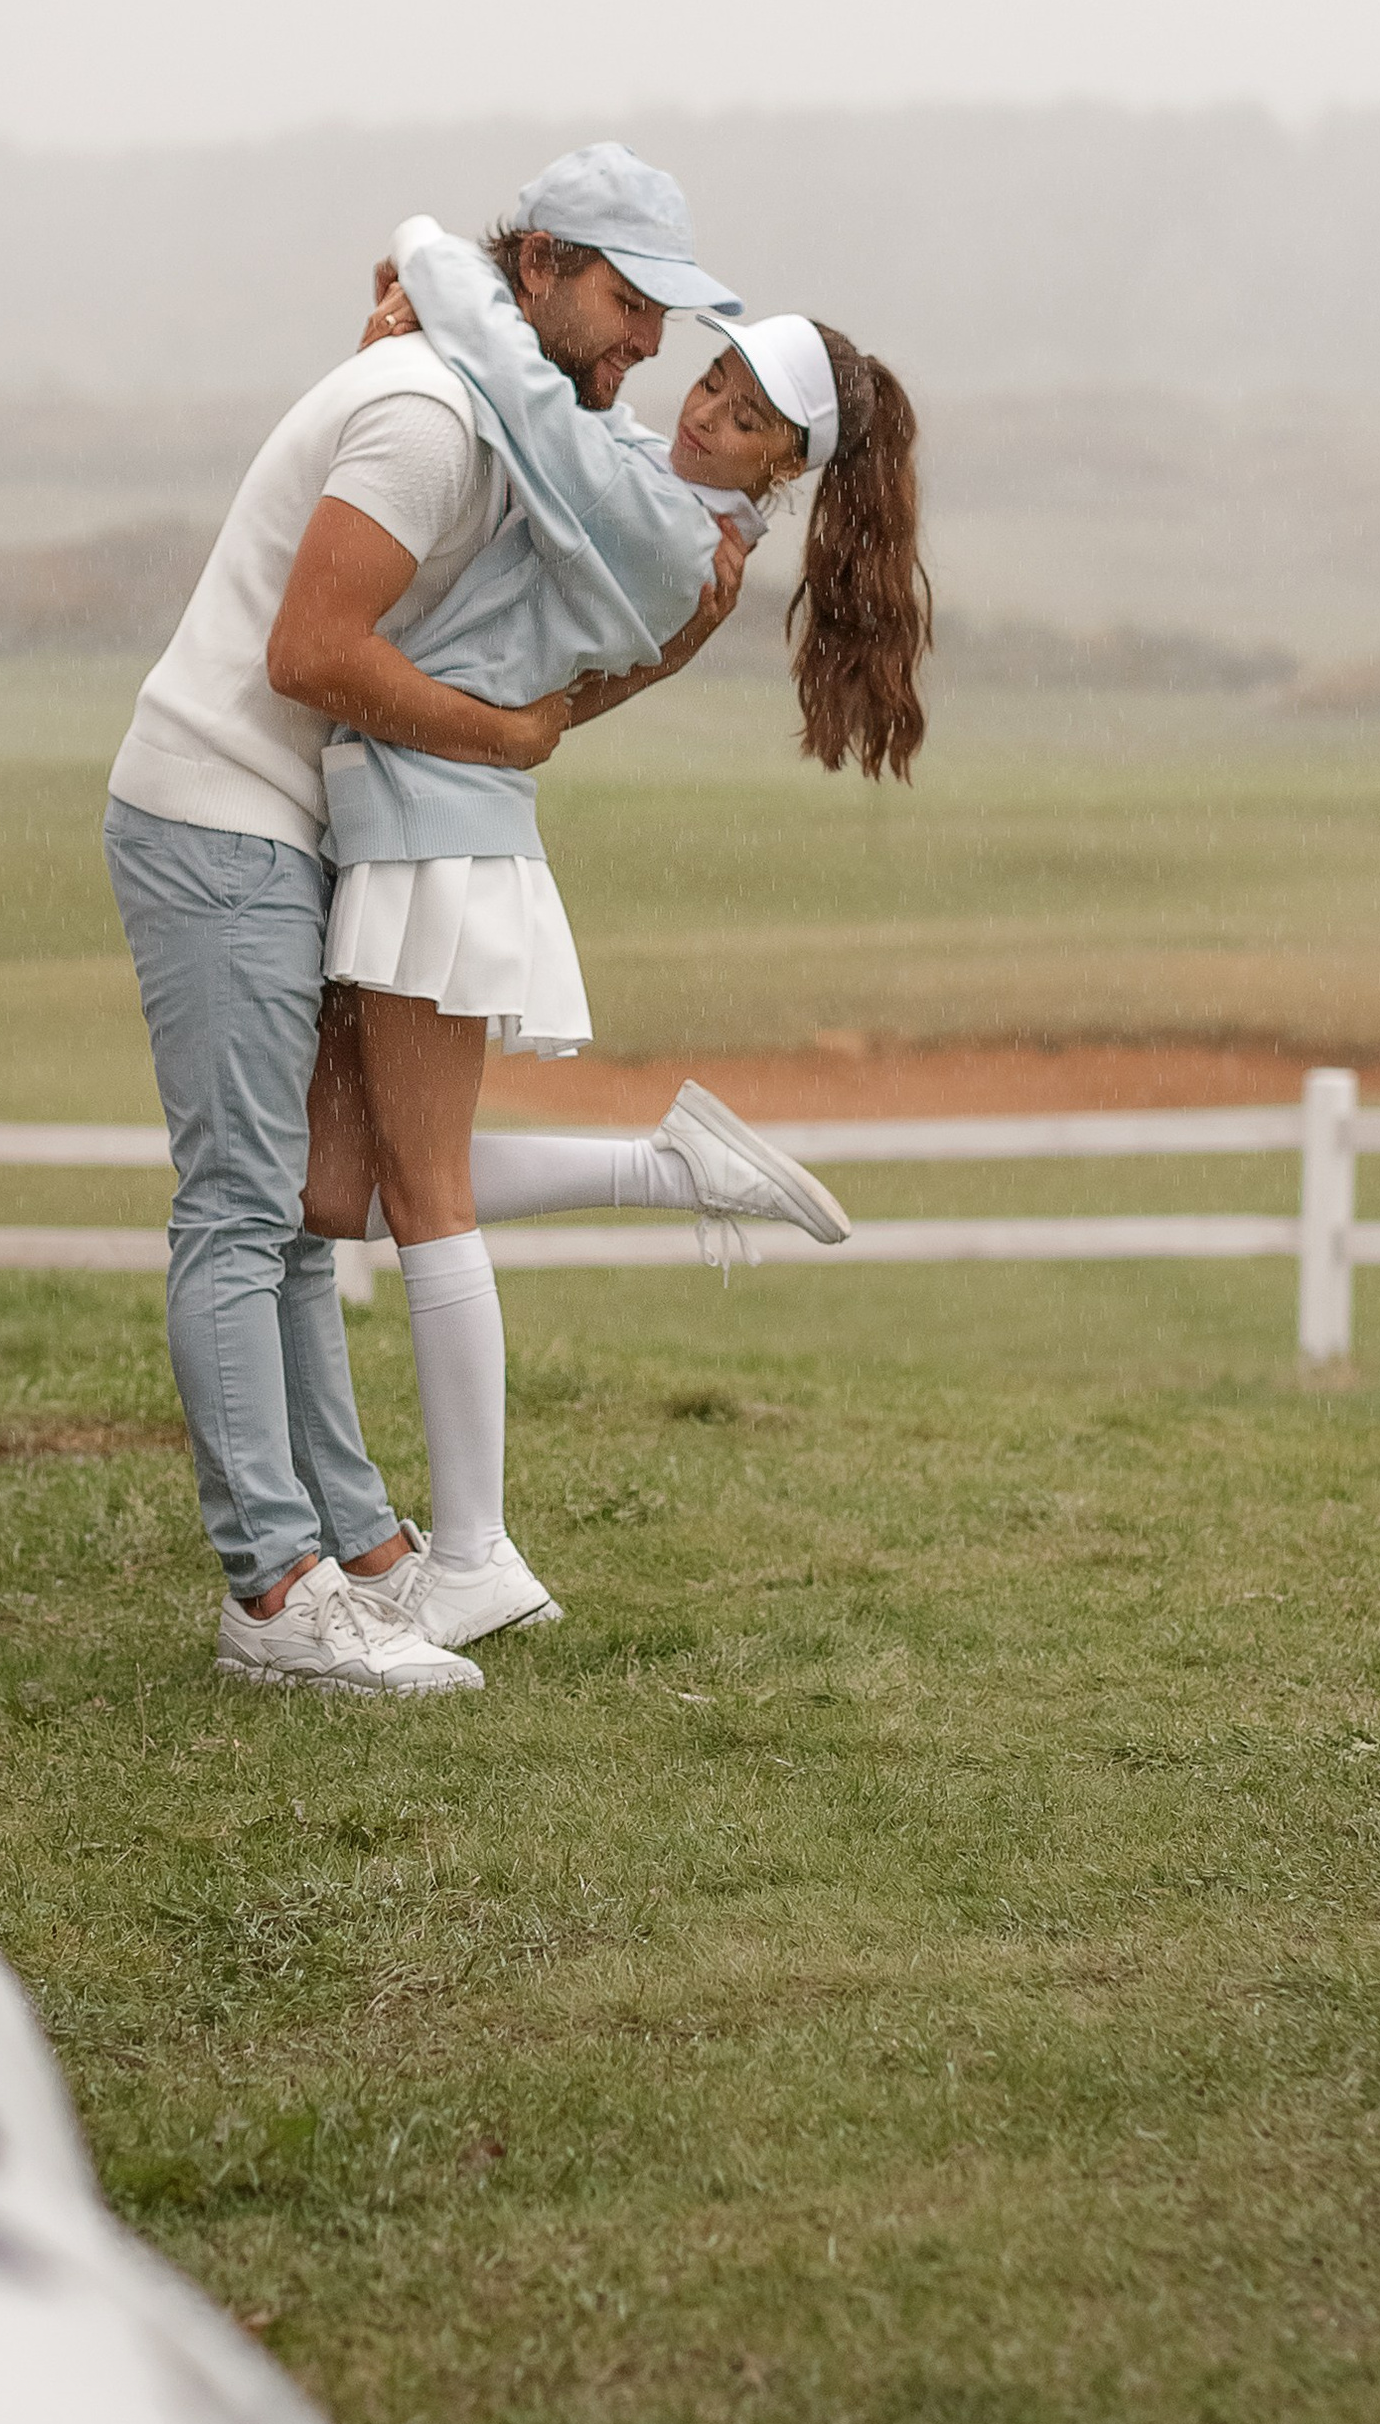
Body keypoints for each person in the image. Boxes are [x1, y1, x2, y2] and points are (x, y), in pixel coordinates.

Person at [104, 144, 748, 1692]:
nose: (649, 343)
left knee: (311, 1219)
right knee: (244, 1211)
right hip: (220, 814)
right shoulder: (423, 416)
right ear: (534, 271)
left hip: (289, 828)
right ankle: (271, 1594)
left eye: (664, 312)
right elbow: (312, 654)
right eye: (624, 298)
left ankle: (364, 1551)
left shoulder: (484, 411)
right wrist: (506, 740)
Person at [287, 220, 929, 1645]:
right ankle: (667, 1167)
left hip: (438, 835)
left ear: (784, 467)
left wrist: (428, 251)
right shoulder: (664, 493)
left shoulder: (670, 526)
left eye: (746, 417)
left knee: (424, 1198)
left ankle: (474, 1556)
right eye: (710, 382)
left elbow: (531, 412)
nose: (702, 410)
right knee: (344, 1193)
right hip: (419, 810)